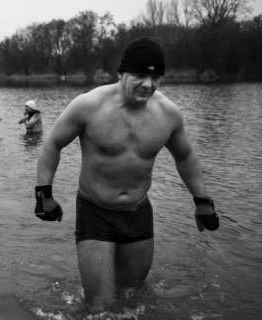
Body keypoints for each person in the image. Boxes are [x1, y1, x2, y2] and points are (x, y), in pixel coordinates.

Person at [33, 37, 219, 313]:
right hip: (95, 212)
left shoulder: (168, 114)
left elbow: (185, 156)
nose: (148, 84)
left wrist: (202, 200)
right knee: (100, 305)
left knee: (133, 299)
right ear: (121, 73)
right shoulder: (88, 106)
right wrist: (43, 194)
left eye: (156, 77)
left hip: (138, 213)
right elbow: (52, 144)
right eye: (140, 75)